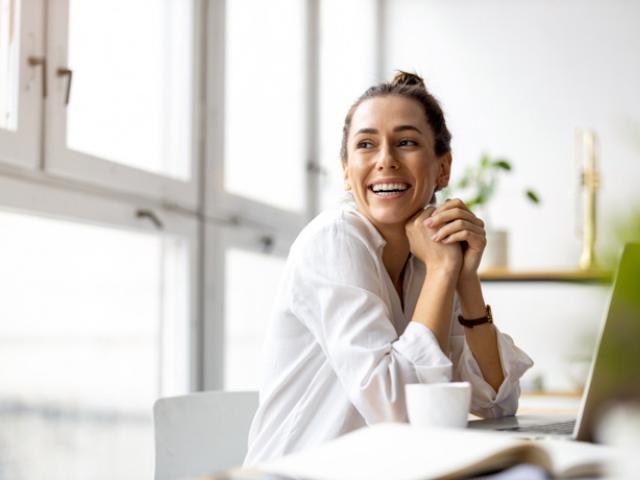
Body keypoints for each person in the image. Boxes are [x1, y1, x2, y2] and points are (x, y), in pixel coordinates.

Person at [243, 71, 533, 466]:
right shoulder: (335, 240)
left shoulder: (427, 258)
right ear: (347, 171)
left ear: (443, 168)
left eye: (407, 142)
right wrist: (443, 273)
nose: (385, 160)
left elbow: (498, 403)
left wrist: (464, 277)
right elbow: (398, 412)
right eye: (366, 144)